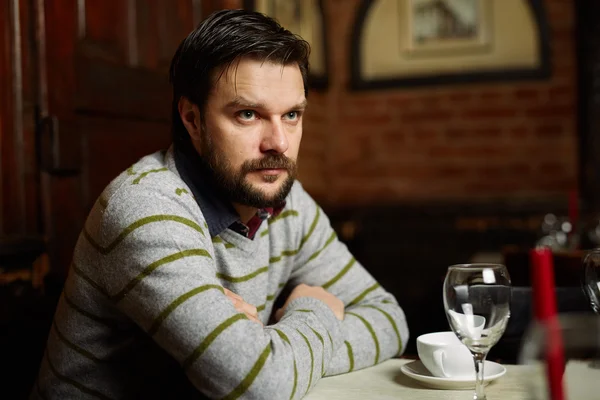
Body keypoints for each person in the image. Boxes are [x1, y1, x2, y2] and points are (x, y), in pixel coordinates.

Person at [32, 9, 409, 399]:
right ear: (192, 120)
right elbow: (260, 385)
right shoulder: (147, 210)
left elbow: (389, 318)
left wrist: (264, 346)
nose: (278, 143)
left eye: (292, 115)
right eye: (248, 114)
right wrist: (313, 311)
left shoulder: (285, 198)